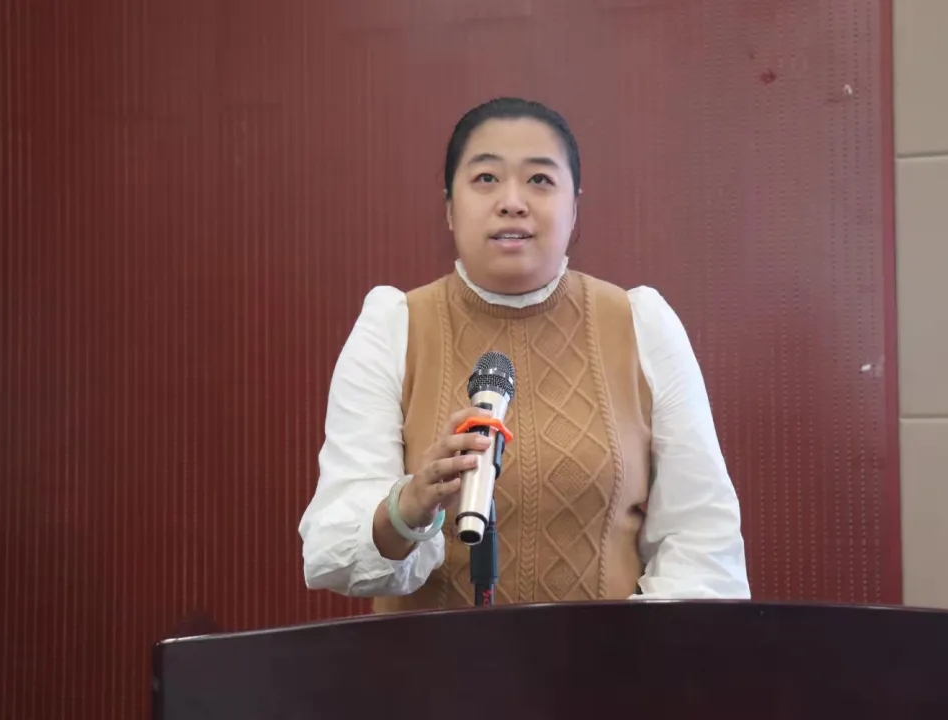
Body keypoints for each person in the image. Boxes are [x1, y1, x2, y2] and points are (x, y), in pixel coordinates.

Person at [298, 97, 750, 613]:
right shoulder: (392, 327)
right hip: (431, 664)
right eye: (486, 178)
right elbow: (333, 554)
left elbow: (703, 541)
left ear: (574, 208)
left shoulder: (641, 324)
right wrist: (411, 505)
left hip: (609, 660)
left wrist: (628, 653)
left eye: (539, 180)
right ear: (449, 208)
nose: (512, 201)